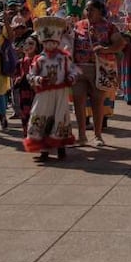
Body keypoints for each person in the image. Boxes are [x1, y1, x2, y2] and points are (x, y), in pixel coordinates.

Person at [70, 0, 125, 147]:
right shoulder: (78, 25)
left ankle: (98, 135)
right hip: (79, 68)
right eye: (86, 10)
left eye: (91, 10)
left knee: (97, 102)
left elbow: (120, 43)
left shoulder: (109, 26)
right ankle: (81, 136)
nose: (88, 13)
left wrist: (105, 50)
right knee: (78, 101)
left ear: (100, 11)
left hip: (99, 69)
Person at [23, 17, 79, 161]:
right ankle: (44, 151)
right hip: (44, 94)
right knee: (41, 117)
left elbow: (73, 71)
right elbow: (30, 75)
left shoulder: (64, 58)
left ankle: (61, 148)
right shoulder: (39, 60)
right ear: (42, 43)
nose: (50, 45)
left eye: (53, 42)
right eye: (47, 42)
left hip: (60, 93)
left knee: (60, 118)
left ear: (58, 42)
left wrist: (71, 78)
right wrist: (39, 80)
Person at [14, 35, 40, 136]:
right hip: (24, 90)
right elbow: (15, 75)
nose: (28, 46)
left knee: (36, 113)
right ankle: (27, 134)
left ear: (37, 47)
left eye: (31, 44)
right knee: (25, 113)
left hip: (36, 91)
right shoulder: (20, 62)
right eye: (26, 43)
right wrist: (17, 79)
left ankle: (37, 134)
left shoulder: (39, 60)